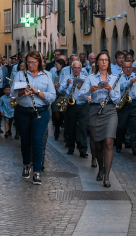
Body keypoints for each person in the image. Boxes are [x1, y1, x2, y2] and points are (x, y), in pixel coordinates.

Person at [77, 51, 121, 188]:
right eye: (101, 60)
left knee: (108, 142)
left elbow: (117, 99)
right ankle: (101, 168)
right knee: (98, 145)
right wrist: (90, 90)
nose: (103, 62)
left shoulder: (114, 78)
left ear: (108, 62)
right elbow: (80, 96)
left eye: (106, 60)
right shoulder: (91, 77)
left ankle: (107, 176)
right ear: (97, 62)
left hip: (110, 111)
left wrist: (110, 89)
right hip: (95, 111)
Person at [14, 50, 57, 185]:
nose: (30, 65)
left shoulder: (46, 76)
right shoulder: (20, 75)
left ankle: (37, 172)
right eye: (28, 62)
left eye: (33, 62)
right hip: (23, 112)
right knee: (25, 140)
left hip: (41, 112)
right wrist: (23, 92)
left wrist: (37, 92)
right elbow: (14, 94)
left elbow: (52, 96)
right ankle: (27, 164)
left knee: (37, 141)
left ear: (39, 62)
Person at [60, 60, 89, 156]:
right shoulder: (67, 78)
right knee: (71, 127)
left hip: (82, 104)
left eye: (78, 68)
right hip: (71, 104)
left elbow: (89, 92)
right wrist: (67, 85)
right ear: (72, 69)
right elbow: (60, 90)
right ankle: (71, 147)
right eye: (75, 68)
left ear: (81, 69)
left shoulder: (85, 78)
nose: (76, 70)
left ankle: (83, 149)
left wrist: (82, 89)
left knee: (83, 127)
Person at [115, 60, 136, 156]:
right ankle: (118, 144)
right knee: (121, 126)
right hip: (123, 103)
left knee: (135, 126)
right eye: (126, 67)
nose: (128, 69)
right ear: (122, 68)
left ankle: (135, 148)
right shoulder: (119, 77)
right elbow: (119, 87)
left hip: (134, 102)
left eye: (130, 67)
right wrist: (129, 82)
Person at [50, 58, 67, 140]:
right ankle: (57, 129)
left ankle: (64, 131)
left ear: (61, 65)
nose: (55, 66)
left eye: (57, 65)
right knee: (56, 114)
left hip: (63, 95)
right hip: (56, 95)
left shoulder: (66, 72)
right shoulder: (53, 71)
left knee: (63, 114)